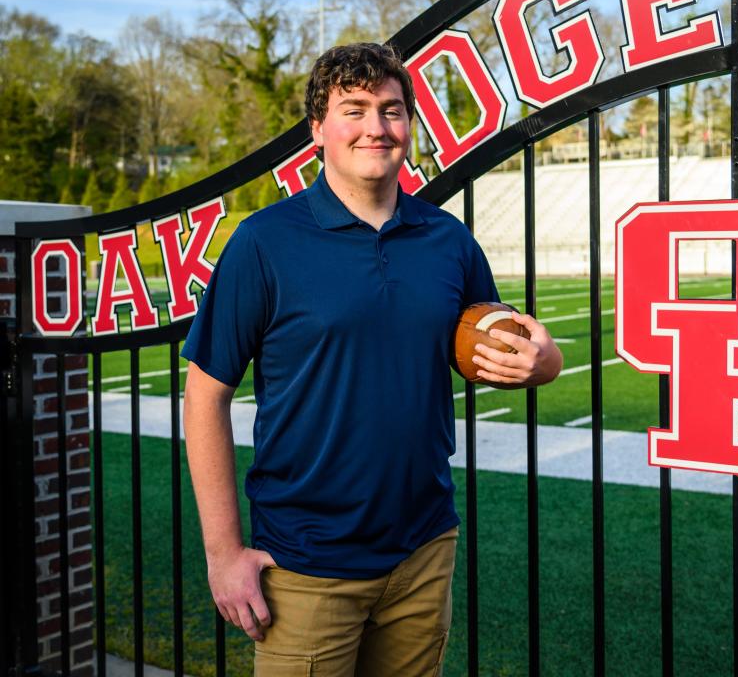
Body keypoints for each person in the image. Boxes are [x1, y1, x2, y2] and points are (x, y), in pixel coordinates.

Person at [181, 42, 563, 676]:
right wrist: (223, 555)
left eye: (391, 110)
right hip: (306, 563)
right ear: (318, 130)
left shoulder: (447, 239)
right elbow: (205, 396)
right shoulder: (265, 241)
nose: (375, 128)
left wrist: (544, 361)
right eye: (353, 110)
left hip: (423, 549)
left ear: (409, 125)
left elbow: (508, 350)